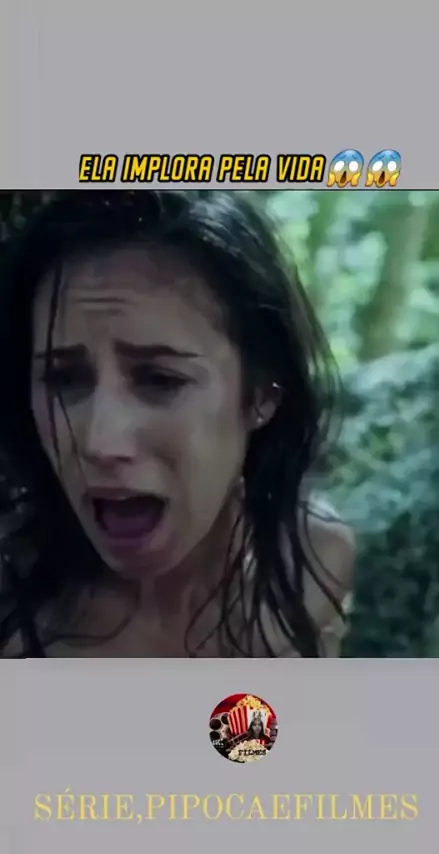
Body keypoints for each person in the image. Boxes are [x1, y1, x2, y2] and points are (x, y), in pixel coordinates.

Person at [0, 190, 354, 658]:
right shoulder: (15, 602)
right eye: (64, 379)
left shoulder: (313, 562)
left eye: (160, 380)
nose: (100, 442)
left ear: (262, 394)